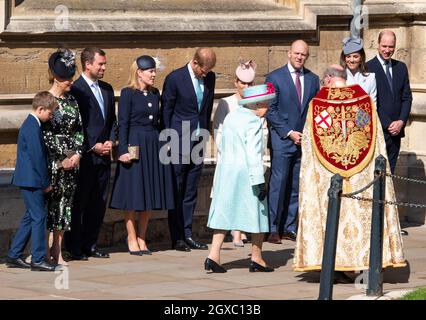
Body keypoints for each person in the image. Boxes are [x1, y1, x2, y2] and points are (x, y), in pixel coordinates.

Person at [293, 65, 406, 281]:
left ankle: (333, 266)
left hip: (328, 175)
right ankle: (366, 262)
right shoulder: (363, 102)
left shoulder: (318, 106)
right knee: (363, 217)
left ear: (327, 79)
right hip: (361, 175)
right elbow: (374, 141)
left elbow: (309, 144)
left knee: (332, 215)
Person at [205, 84, 275, 273]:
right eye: (267, 104)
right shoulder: (253, 122)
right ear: (257, 104)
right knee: (259, 213)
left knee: (223, 211)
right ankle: (257, 258)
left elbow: (221, 144)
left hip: (226, 171)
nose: (268, 108)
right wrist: (258, 180)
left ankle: (213, 255)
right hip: (246, 174)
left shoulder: (231, 117)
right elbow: (253, 154)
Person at [110, 55, 174, 255]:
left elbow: (160, 122)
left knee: (149, 192)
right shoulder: (128, 94)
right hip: (134, 143)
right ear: (139, 72)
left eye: (155, 71)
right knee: (133, 193)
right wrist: (122, 151)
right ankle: (131, 237)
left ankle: (142, 237)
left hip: (153, 144)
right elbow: (123, 124)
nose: (154, 75)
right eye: (150, 71)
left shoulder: (155, 93)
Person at [161, 48, 216, 252]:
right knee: (177, 187)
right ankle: (177, 237)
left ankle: (188, 233)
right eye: (203, 70)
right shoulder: (175, 78)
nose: (206, 74)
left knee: (191, 189)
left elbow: (207, 108)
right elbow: (166, 110)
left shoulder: (210, 79)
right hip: (177, 139)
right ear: (194, 63)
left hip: (198, 139)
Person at [265, 40, 320, 244]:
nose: (299, 57)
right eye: (296, 53)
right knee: (278, 184)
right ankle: (272, 228)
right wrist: (289, 133)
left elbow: (314, 110)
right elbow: (271, 109)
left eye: (303, 54)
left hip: (303, 141)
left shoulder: (313, 79)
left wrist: (306, 133)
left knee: (297, 184)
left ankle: (289, 227)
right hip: (283, 139)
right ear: (289, 53)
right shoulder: (274, 77)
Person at [65, 47, 117, 260]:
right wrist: (91, 145)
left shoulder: (107, 88)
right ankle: (74, 246)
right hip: (84, 156)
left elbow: (112, 120)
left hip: (104, 156)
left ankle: (91, 244)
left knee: (98, 203)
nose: (104, 67)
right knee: (79, 203)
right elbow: (75, 126)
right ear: (87, 64)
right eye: (100, 64)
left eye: (104, 64)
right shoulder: (75, 90)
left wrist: (111, 141)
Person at [6, 92, 58, 272]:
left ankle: (14, 255)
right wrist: (45, 183)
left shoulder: (31, 125)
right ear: (41, 109)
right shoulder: (32, 127)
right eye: (50, 113)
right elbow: (37, 158)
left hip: (29, 179)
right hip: (33, 180)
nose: (51, 117)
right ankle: (38, 258)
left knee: (31, 216)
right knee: (39, 217)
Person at [43, 48, 84, 266]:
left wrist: (77, 154)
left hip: (72, 163)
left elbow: (79, 130)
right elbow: (45, 134)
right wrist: (61, 158)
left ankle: (58, 249)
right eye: (66, 78)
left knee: (64, 206)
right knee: (51, 206)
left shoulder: (72, 101)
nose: (70, 81)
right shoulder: (46, 100)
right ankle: (44, 250)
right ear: (56, 78)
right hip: (54, 164)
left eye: (71, 77)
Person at [212, 59, 259, 247]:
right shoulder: (226, 103)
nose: (245, 86)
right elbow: (219, 131)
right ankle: (233, 232)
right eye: (242, 83)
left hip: (250, 157)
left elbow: (259, 129)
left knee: (247, 195)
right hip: (231, 158)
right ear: (236, 82)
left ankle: (240, 230)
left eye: (249, 83)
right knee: (231, 195)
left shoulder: (255, 103)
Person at [366, 30, 412, 174]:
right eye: (384, 46)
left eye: (391, 47)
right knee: (376, 174)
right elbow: (370, 102)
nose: (387, 50)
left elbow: (407, 97)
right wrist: (387, 124)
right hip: (378, 130)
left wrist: (401, 122)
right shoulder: (368, 68)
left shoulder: (401, 67)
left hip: (396, 132)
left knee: (390, 173)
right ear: (378, 45)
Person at [340, 37, 377, 105]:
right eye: (348, 56)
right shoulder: (338, 78)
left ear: (361, 58)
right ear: (344, 58)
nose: (351, 60)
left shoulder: (370, 78)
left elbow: (373, 106)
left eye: (355, 56)